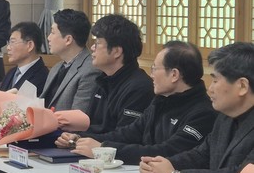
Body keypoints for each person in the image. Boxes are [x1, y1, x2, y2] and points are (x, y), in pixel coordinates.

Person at [72, 41, 216, 164]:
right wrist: (81, 138)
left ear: (174, 75)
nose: (151, 75)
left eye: (155, 69)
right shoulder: (161, 100)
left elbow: (165, 151)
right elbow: (130, 133)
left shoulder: (203, 113)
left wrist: (103, 149)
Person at [140, 42, 254, 173]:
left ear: (242, 86)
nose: (210, 89)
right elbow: (201, 154)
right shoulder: (225, 117)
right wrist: (161, 165)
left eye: (215, 81)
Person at [55, 14, 153, 147]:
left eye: (97, 43)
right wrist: (72, 136)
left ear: (116, 51)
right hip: (91, 149)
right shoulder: (103, 80)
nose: (92, 48)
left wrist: (79, 139)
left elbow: (126, 136)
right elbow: (93, 124)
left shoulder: (139, 87)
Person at [40, 9, 99, 112]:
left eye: (52, 32)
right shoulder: (56, 67)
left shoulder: (90, 70)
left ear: (68, 40)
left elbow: (78, 114)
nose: (48, 38)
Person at [0, 22, 48, 93]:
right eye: (9, 43)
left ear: (30, 46)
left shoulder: (42, 76)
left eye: (12, 42)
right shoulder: (11, 73)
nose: (8, 48)